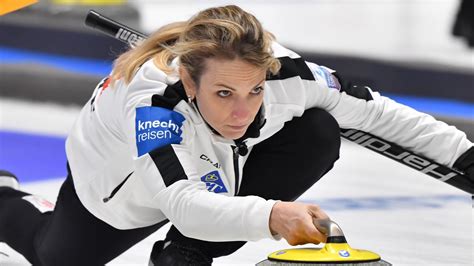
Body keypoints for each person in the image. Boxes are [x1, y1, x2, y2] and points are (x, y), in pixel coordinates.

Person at [0, 5, 472, 266]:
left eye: (255, 90)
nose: (243, 111)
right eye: (224, 92)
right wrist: (272, 215)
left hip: (219, 161)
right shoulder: (153, 106)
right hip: (120, 183)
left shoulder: (292, 75)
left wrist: (467, 157)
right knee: (55, 258)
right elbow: (181, 201)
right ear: (189, 82)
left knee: (318, 130)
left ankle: (184, 257)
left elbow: (380, 115)